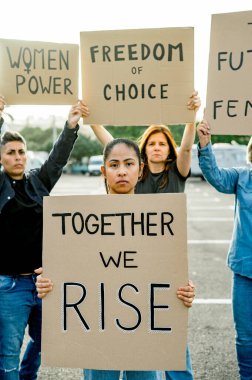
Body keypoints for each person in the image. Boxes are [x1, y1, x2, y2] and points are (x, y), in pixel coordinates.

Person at [36, 137, 196, 380]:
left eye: (129, 164)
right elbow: (71, 271)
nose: (122, 171)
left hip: (143, 331)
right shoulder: (81, 218)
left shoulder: (158, 220)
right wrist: (49, 284)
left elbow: (167, 269)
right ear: (104, 170)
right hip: (97, 333)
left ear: (140, 169)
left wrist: (183, 288)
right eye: (114, 165)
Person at [84, 90, 200, 379]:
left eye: (163, 143)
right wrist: (92, 119)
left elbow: (186, 149)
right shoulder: (95, 212)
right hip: (110, 301)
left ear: (139, 170)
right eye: (152, 143)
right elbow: (113, 146)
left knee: (172, 345)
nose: (158, 147)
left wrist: (191, 117)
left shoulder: (175, 174)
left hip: (156, 280)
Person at [0, 95, 89, 380]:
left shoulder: (38, 181)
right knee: (7, 356)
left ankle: (29, 376)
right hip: (9, 286)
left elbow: (58, 158)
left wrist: (71, 126)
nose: (18, 157)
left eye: (21, 152)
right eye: (11, 152)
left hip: (42, 284)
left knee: (43, 342)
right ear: (1, 157)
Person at [197, 119, 252, 380]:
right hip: (244, 268)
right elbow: (215, 177)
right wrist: (205, 143)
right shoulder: (242, 177)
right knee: (245, 336)